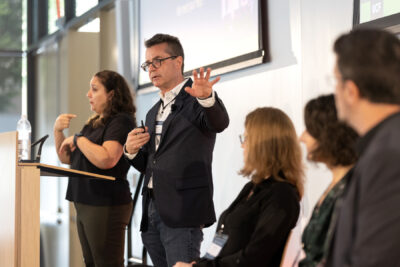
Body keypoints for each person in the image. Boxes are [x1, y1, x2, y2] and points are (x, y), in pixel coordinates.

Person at [124, 33, 230, 267]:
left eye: (157, 61)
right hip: (151, 209)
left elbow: (219, 123)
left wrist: (207, 98)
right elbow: (151, 164)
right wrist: (131, 151)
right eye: (148, 64)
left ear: (178, 61)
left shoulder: (197, 99)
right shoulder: (153, 111)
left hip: (183, 210)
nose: (151, 68)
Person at [175, 107, 304, 267]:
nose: (243, 145)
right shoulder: (252, 186)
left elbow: (254, 258)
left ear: (263, 144)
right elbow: (222, 243)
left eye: (247, 138)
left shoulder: (282, 195)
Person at [326, 29, 400, 266]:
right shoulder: (383, 146)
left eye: (335, 80)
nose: (333, 90)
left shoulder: (389, 156)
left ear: (351, 91)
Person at [54, 70, 136, 267]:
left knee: (106, 263)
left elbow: (107, 158)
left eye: (94, 89)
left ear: (111, 94)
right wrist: (58, 131)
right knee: (91, 263)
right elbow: (66, 157)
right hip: (85, 201)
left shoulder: (121, 121)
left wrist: (78, 139)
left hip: (105, 202)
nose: (88, 94)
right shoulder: (94, 123)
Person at [298, 94, 358, 266]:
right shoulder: (338, 185)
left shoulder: (351, 188)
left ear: (329, 135)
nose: (302, 137)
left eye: (309, 130)